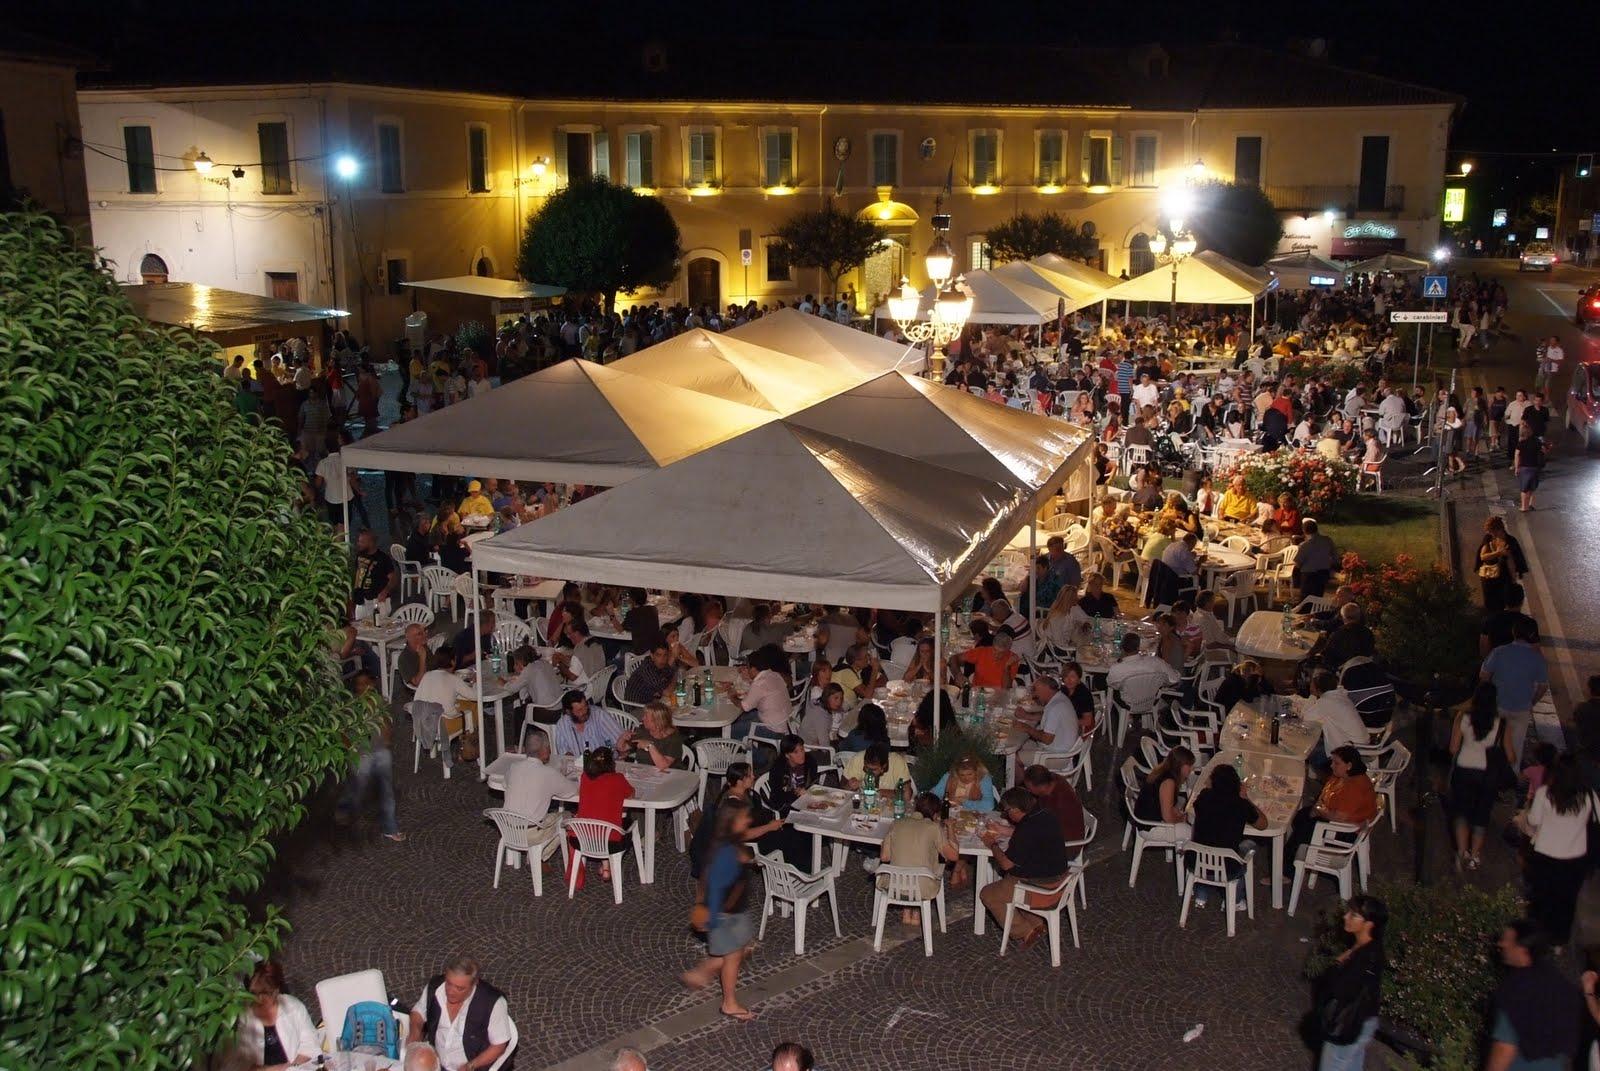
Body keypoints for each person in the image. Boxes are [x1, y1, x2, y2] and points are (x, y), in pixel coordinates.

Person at [683, 797, 758, 1022]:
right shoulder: (726, 853)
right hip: (726, 917)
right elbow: (715, 887)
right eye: (744, 817)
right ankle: (729, 1003)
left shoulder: (728, 844)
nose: (748, 820)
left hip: (736, 913)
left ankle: (700, 972)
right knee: (733, 957)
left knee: (742, 949)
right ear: (733, 822)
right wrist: (713, 919)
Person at [977, 786, 1072, 951]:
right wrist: (1003, 830)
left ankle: (1024, 931)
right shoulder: (1044, 815)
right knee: (1007, 881)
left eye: (1007, 811)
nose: (1007, 815)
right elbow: (1028, 834)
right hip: (1060, 877)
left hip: (1041, 886)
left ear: (1015, 809)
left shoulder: (1026, 829)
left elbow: (1006, 863)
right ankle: (1037, 922)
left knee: (989, 894)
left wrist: (991, 843)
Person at [1487, 920, 1580, 1069]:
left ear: (1522, 947)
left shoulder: (1518, 988)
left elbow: (1505, 1046)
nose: (1501, 944)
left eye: (1507, 940)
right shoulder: (1562, 987)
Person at [1523, 755, 1593, 949]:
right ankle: (1559, 941)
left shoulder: (1545, 794)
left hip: (1546, 854)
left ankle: (1537, 937)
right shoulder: (1588, 797)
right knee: (1566, 901)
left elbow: (1534, 820)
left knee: (1542, 897)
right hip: (1575, 858)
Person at [1313, 896, 1387, 1071]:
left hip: (1349, 1022)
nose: (1346, 917)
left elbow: (1340, 989)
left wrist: (1337, 966)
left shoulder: (1364, 957)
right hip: (1363, 1021)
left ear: (1368, 924)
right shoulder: (1367, 948)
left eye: (1353, 915)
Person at [1283, 747, 1379, 874]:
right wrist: (1316, 808)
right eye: (1332, 761)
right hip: (1332, 816)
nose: (1332, 766)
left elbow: (1340, 817)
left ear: (1349, 765)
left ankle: (1287, 871)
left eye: (1336, 763)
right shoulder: (1341, 776)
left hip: (1346, 830)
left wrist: (1317, 811)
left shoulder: (1354, 787)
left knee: (1303, 830)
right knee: (1300, 816)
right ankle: (1295, 851)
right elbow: (1324, 796)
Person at [1449, 682, 1514, 873]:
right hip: (1487, 775)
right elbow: (1510, 756)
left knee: (1461, 812)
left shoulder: (1462, 717)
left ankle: (1462, 852)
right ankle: (1475, 856)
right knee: (1481, 816)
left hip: (1463, 770)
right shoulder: (1501, 724)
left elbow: (1453, 748)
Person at [408, 956, 512, 1071]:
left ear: (474, 984)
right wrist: (415, 1033)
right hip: (438, 1063)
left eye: (459, 988)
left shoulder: (492, 1002)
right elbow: (418, 1013)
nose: (451, 991)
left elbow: (499, 1046)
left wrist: (470, 1066)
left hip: (473, 1066)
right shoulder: (435, 987)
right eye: (449, 983)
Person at [335, 672, 404, 842]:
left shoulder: (379, 702)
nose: (365, 687)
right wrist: (350, 751)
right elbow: (343, 732)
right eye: (361, 684)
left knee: (386, 790)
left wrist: (387, 740)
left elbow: (386, 723)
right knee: (357, 788)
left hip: (380, 751)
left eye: (367, 683)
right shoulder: (351, 707)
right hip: (361, 755)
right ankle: (344, 807)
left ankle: (390, 827)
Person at [1186, 764, 1267, 908]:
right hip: (1227, 866)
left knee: (1208, 847)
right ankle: (1234, 900)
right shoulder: (1241, 805)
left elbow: (1200, 806)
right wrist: (1246, 798)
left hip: (1196, 862)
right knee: (1249, 845)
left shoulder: (1204, 797)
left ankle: (1201, 893)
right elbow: (1263, 824)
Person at [222, 960, 319, 1071]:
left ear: (276, 990)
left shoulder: (294, 1007)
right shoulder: (241, 1016)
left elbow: (311, 1045)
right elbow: (231, 1061)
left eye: (265, 993)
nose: (259, 999)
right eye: (254, 993)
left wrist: (292, 1068)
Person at [879, 792, 960, 920]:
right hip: (922, 888)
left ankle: (908, 912)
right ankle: (916, 913)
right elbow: (954, 856)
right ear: (935, 814)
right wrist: (950, 828)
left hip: (894, 885)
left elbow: (885, 857)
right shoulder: (933, 827)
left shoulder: (897, 823)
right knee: (927, 864)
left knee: (909, 861)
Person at [1481, 617, 1549, 767]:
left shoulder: (1499, 652)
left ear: (1513, 632)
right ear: (1531, 635)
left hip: (1499, 704)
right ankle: (1510, 777)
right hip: (1522, 708)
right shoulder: (1537, 658)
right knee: (1516, 746)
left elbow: (1484, 675)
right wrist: (1532, 701)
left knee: (1492, 741)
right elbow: (1543, 686)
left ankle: (1490, 772)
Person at [573, 746, 635, 882]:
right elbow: (631, 794)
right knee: (623, 821)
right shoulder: (618, 779)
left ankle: (606, 866)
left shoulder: (584, 777)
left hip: (582, 838)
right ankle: (607, 867)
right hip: (610, 841)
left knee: (598, 819)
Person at [504, 726, 570, 823]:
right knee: (567, 815)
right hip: (532, 833)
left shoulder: (514, 767)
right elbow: (572, 791)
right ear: (544, 751)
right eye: (548, 748)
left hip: (507, 829)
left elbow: (505, 784)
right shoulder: (549, 773)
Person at [1304, 669, 1367, 768]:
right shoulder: (1339, 696)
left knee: (1306, 751)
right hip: (1360, 744)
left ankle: (1325, 778)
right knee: (1314, 742)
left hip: (1351, 750)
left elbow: (1306, 718)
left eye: (1312, 684)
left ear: (1318, 688)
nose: (1309, 685)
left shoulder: (1327, 701)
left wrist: (1312, 696)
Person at [1015, 673, 1079, 773]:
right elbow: (1047, 716)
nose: (1034, 694)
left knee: (1015, 759)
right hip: (1061, 749)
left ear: (1046, 689)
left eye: (1036, 690)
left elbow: (1047, 739)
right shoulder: (1060, 699)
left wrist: (1027, 728)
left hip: (1056, 756)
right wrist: (1026, 716)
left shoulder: (1055, 707)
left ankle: (1026, 785)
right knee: (1020, 745)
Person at [1134, 746, 1195, 848]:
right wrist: (1183, 819)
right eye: (1189, 765)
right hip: (1151, 827)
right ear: (1180, 765)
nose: (1191, 768)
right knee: (1194, 833)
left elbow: (1169, 805)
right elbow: (1167, 817)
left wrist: (1179, 815)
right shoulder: (1168, 782)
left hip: (1148, 821)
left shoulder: (1162, 772)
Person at [1106, 631, 1181, 712]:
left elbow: (1111, 683)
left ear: (1121, 648)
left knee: (1105, 686)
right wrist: (1161, 681)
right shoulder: (1156, 662)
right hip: (1151, 702)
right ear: (1138, 647)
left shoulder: (1117, 668)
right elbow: (1175, 679)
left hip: (1127, 704)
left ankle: (1120, 719)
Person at [1023, 763, 1086, 852]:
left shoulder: (1059, 801)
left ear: (1040, 786)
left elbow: (1048, 831)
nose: (1028, 790)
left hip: (1066, 847)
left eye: (1029, 788)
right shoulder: (1053, 780)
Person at [1476, 515, 1527, 615]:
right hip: (1489, 578)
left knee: (1502, 603)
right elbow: (1483, 556)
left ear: (1498, 529)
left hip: (1503, 579)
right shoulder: (1489, 538)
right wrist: (1498, 553)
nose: (1489, 534)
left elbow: (1511, 563)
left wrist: (1513, 580)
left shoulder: (1510, 542)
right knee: (1491, 605)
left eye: (1491, 531)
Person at [552, 690, 623, 756]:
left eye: (585, 706)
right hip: (578, 767)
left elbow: (620, 740)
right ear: (568, 712)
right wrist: (569, 757)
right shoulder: (562, 724)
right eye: (579, 710)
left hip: (604, 764)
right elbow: (563, 751)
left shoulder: (599, 715)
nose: (584, 712)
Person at [618, 701, 687, 769]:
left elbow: (663, 766)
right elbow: (623, 749)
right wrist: (622, 738)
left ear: (657, 721)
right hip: (645, 773)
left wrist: (650, 746)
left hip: (670, 775)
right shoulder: (643, 731)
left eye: (646, 717)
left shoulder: (673, 738)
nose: (642, 718)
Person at [351, 529, 397, 610]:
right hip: (361, 601)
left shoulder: (383, 558)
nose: (359, 544)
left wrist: (385, 591)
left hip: (377, 600)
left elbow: (393, 578)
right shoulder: (359, 556)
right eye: (359, 541)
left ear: (371, 543)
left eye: (362, 542)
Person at [1294, 519, 1337, 597]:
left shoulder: (1304, 545)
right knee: (1318, 596)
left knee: (1306, 598)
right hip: (1323, 573)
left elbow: (1297, 563)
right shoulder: (1327, 541)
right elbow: (1334, 557)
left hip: (1309, 575)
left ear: (1304, 531)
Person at [1514, 420, 1545, 512]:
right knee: (1531, 487)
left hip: (1524, 468)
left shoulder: (1521, 443)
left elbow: (1517, 455)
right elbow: (1543, 451)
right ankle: (1530, 504)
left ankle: (1524, 507)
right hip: (1535, 467)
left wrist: (1516, 467)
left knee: (1524, 488)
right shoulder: (1537, 441)